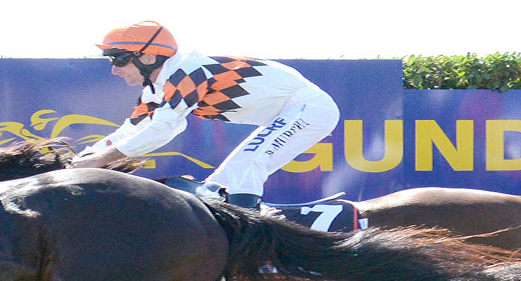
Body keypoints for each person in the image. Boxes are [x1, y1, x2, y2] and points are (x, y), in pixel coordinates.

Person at [72, 21, 340, 209]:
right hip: (290, 111)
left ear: (150, 57)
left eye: (118, 59)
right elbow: (128, 131)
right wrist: (80, 161)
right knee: (219, 186)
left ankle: (250, 246)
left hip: (309, 107)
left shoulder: (185, 71)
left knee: (245, 167)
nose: (114, 69)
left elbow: (164, 130)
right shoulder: (157, 89)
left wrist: (102, 160)